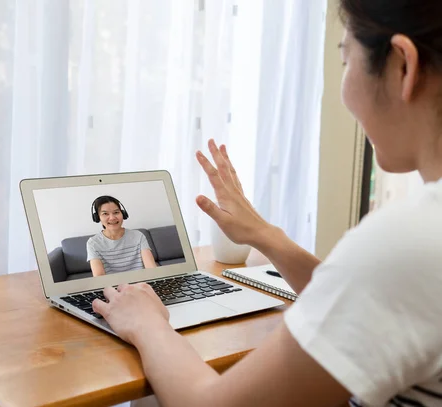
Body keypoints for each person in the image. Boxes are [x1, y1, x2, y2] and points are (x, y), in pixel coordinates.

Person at [91, 0, 442, 405]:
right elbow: (381, 301)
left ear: (402, 65)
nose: (344, 89)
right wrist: (266, 237)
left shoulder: (408, 240)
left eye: (346, 60)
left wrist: (147, 324)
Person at [87, 195, 157, 277]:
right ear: (97, 218)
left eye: (116, 212)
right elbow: (99, 277)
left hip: (141, 285)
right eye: (105, 214)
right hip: (113, 288)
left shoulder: (138, 236)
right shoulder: (93, 243)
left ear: (123, 214)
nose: (112, 218)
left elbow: (151, 268)